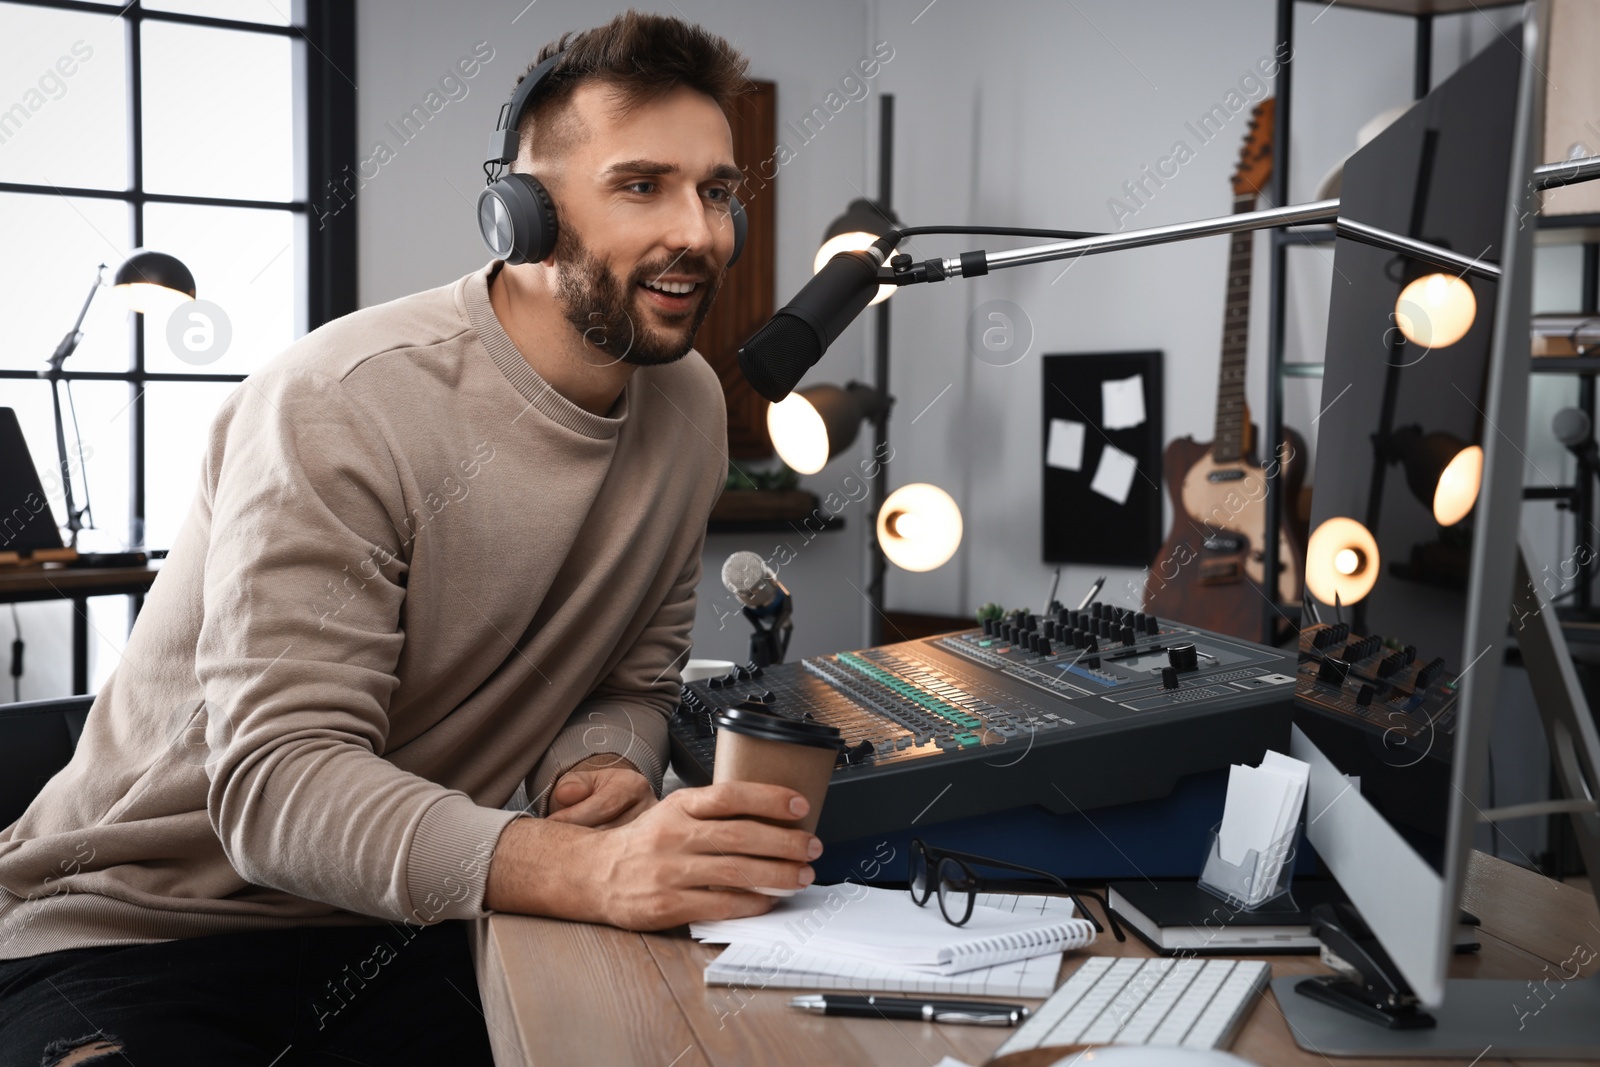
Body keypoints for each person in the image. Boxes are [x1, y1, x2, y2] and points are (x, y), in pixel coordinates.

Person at [0, 13, 817, 1065]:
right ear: (521, 214)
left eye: (715, 191)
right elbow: (280, 785)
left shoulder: (690, 405)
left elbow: (629, 681)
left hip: (395, 926)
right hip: (130, 930)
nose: (700, 233)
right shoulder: (340, 403)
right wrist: (591, 871)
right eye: (641, 184)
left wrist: (598, 767)